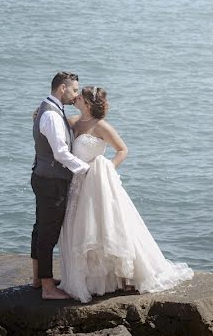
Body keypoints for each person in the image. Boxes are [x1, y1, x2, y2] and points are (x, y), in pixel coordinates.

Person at [58, 85, 193, 303]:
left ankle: (118, 277)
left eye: (80, 96)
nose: (77, 98)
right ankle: (90, 280)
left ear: (89, 103)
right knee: (79, 228)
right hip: (77, 183)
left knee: (104, 227)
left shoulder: (100, 126)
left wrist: (107, 170)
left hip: (97, 182)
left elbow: (123, 150)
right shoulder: (73, 122)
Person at [30, 71, 91, 300]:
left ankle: (38, 278)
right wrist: (85, 169)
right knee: (48, 233)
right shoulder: (53, 115)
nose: (76, 95)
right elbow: (60, 153)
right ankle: (47, 288)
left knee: (40, 228)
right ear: (62, 88)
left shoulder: (48, 108)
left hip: (43, 177)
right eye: (74, 90)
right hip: (51, 181)